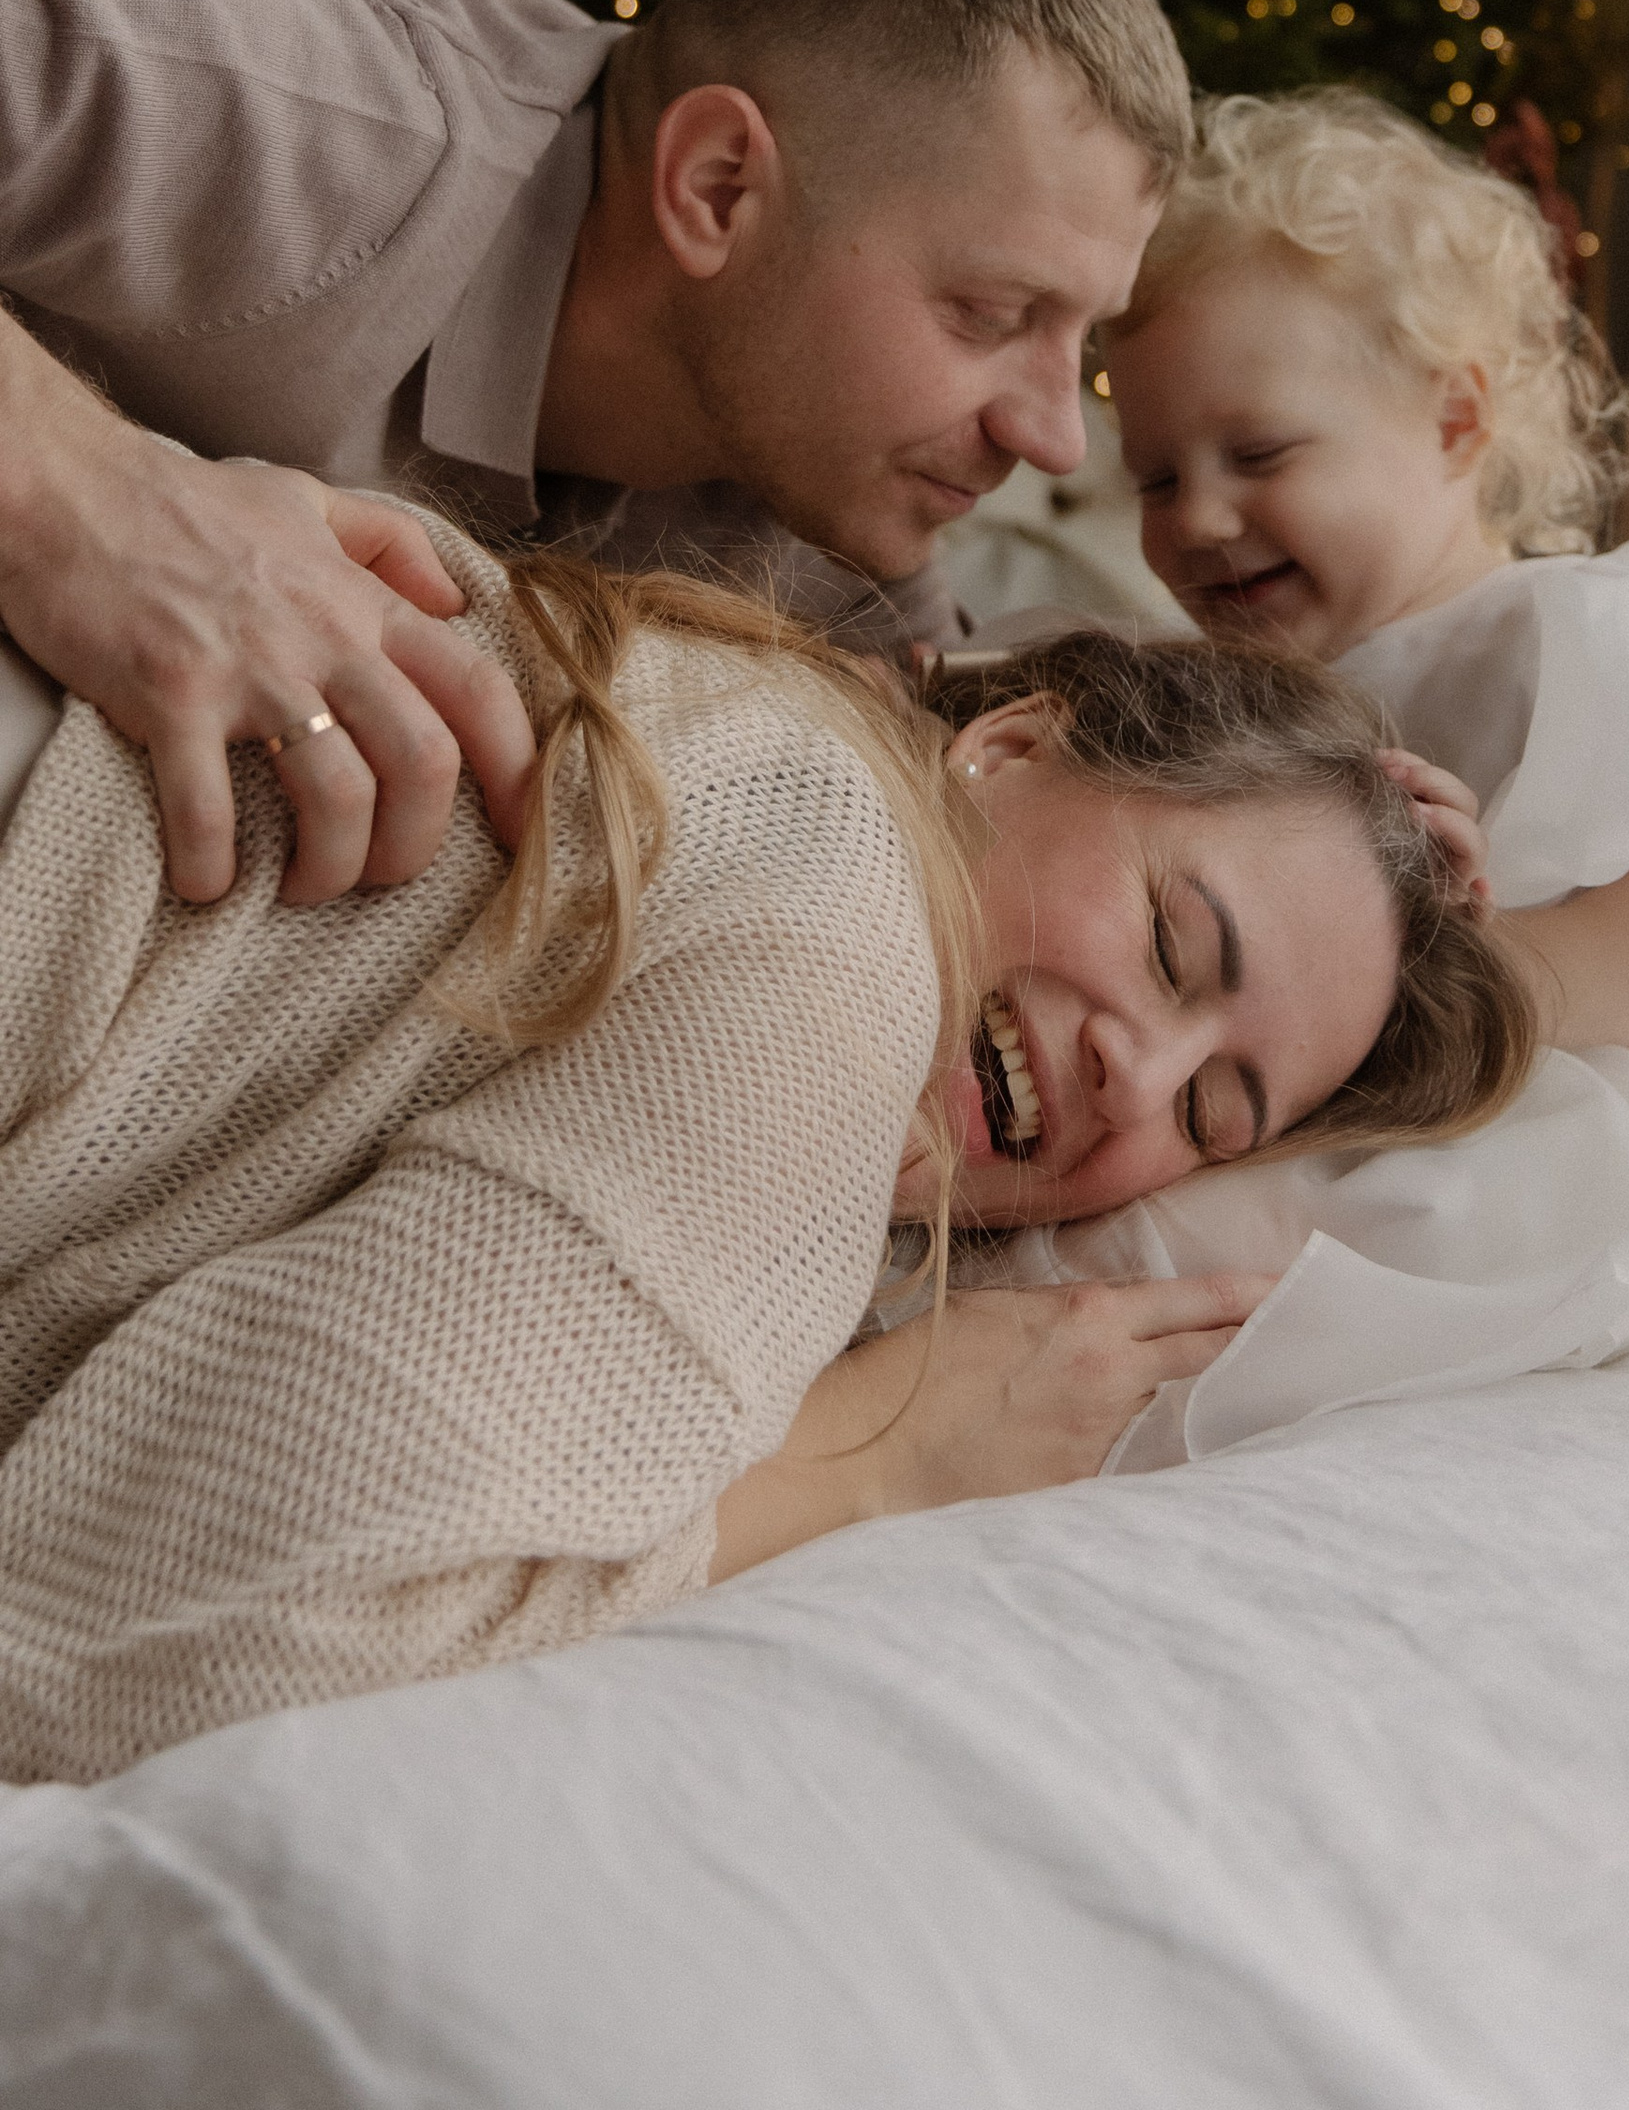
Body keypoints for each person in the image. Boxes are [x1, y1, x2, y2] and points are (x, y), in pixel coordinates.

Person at [0, 534, 1533, 1785]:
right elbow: (165, 1656)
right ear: (1006, 746)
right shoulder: (841, 962)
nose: (1139, 1076)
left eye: (1210, 1119)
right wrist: (865, 1457)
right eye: (1170, 944)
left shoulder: (737, 730)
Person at [0, 0, 1189, 908]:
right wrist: (91, 500)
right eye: (991, 314)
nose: (1054, 437)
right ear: (718, 187)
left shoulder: (823, 515)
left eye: (1082, 341)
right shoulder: (310, 105)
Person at [1106, 90, 1629, 1062]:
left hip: (1516, 1068)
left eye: (1259, 455)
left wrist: (1470, 1000)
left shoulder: (1573, 640)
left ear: (1454, 422)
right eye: (1155, 480)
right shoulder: (1206, 700)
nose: (1196, 519)